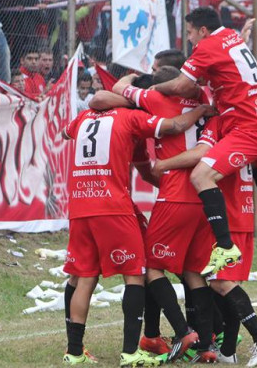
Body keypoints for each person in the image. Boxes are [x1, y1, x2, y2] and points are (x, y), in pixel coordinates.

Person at [61, 100, 216, 366]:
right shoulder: (131, 117)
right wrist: (203, 110)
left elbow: (66, 132)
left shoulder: (84, 116)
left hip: (79, 205)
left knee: (84, 277)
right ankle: (131, 353)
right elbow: (177, 124)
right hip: (112, 207)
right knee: (135, 275)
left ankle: (74, 352)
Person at [152, 7, 257, 276]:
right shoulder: (231, 37)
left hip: (250, 128)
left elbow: (181, 86)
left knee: (201, 176)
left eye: (189, 33)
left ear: (202, 30)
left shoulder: (206, 46)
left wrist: (154, 88)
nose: (189, 39)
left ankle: (225, 246)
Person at [152, 115, 257, 367]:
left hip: (228, 216)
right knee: (194, 272)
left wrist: (162, 164)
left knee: (222, 284)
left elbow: (200, 153)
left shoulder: (222, 125)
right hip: (236, 214)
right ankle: (226, 349)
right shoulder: (254, 129)